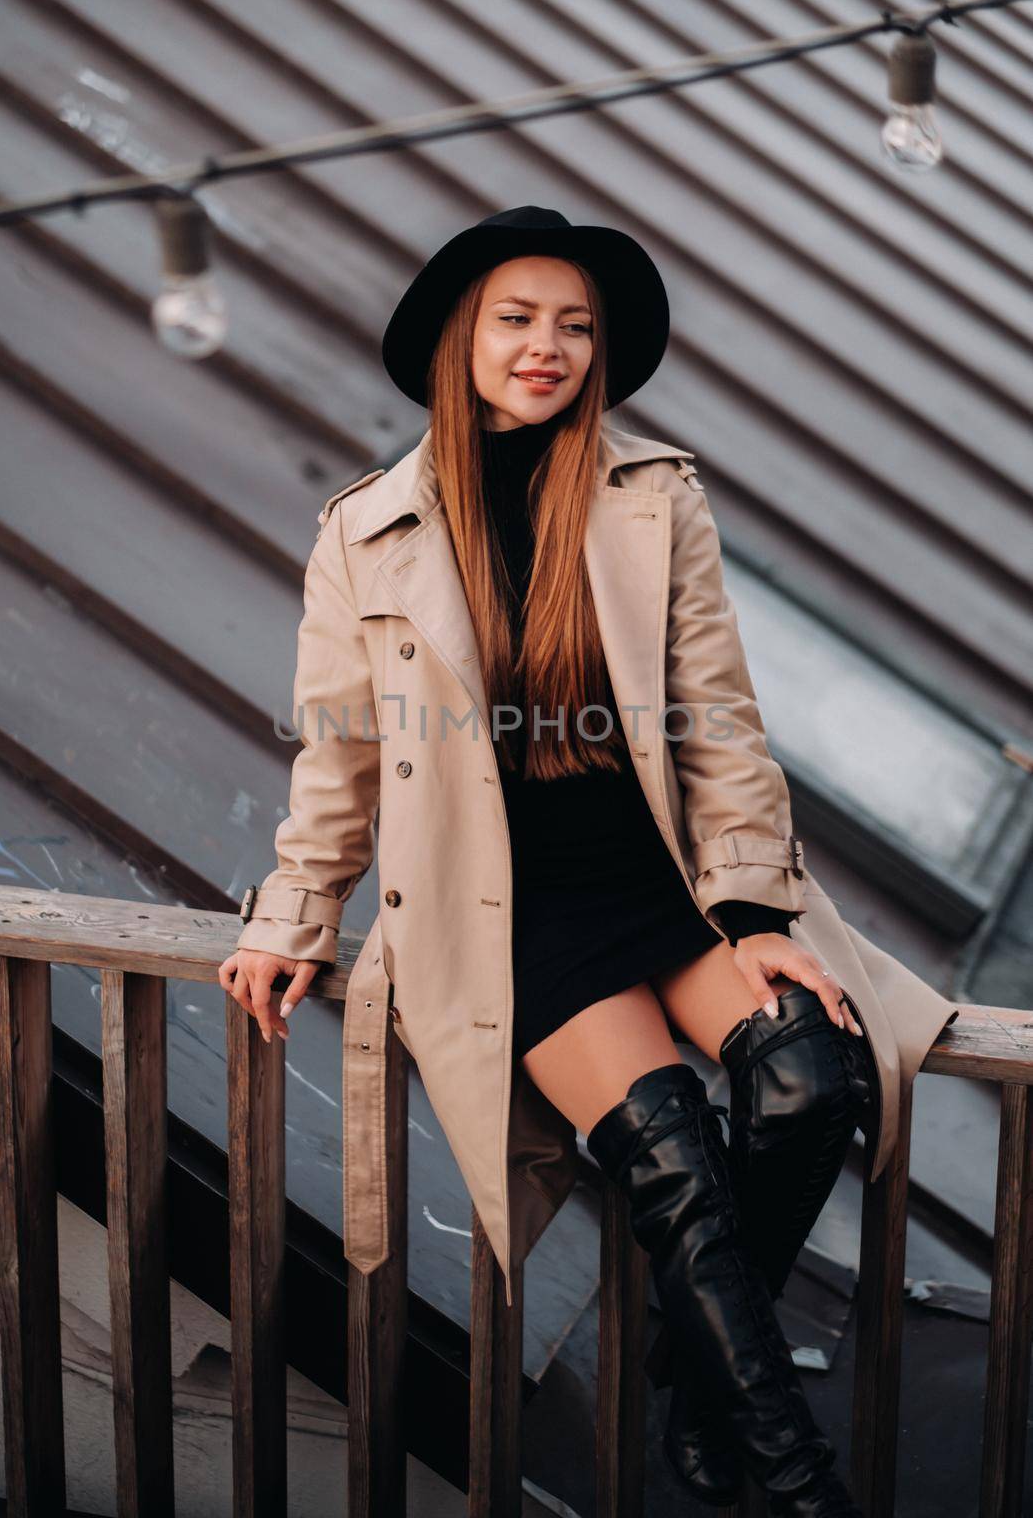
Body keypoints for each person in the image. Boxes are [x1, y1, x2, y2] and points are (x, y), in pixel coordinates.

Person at [219, 206, 948, 1517]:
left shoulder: (649, 497)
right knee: (669, 1154)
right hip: (519, 915)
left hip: (668, 886)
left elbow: (722, 717)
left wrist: (753, 909)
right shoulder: (366, 533)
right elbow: (338, 758)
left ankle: (696, 1366)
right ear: (462, 336)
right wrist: (293, 912)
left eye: (575, 327)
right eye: (517, 318)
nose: (546, 347)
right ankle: (796, 1482)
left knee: (806, 1076)